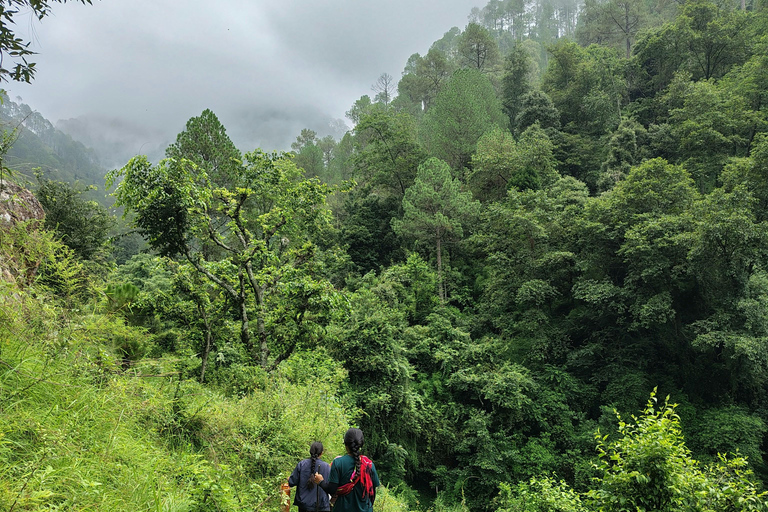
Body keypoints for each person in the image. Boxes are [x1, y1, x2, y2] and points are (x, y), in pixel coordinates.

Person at [314, 428, 380, 512]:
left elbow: (332, 490)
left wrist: (320, 481)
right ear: (361, 444)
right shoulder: (369, 465)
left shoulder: (338, 463)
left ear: (345, 444)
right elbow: (372, 492)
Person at [288, 441, 331, 512]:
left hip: (304, 506)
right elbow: (330, 486)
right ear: (321, 453)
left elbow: (292, 482)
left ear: (310, 451)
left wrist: (289, 479)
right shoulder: (326, 467)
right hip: (322, 506)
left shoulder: (301, 464)